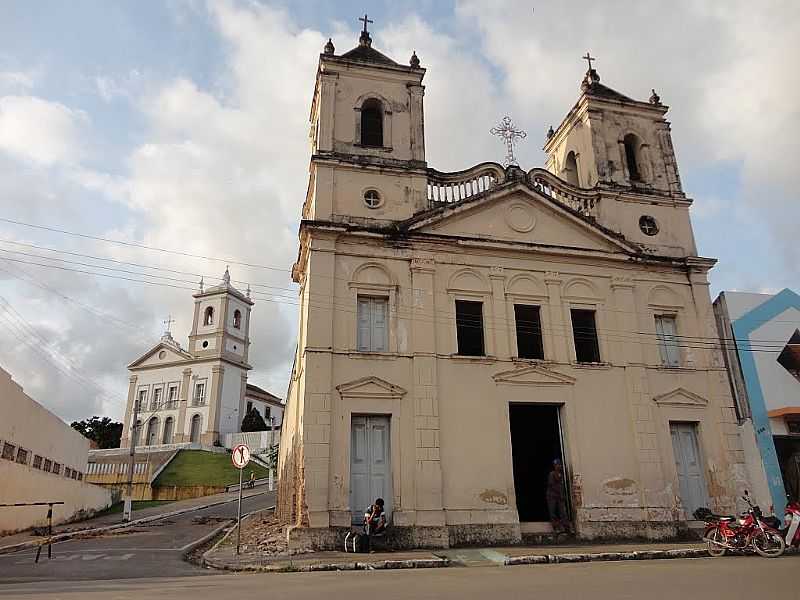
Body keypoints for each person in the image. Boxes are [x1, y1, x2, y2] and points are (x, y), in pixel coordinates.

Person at [546, 459, 571, 534]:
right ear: (554, 466)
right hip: (552, 496)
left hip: (559, 496)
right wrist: (560, 494)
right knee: (553, 512)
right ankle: (556, 528)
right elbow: (552, 485)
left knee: (563, 512)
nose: (558, 466)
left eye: (559, 465)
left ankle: (567, 528)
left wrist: (562, 495)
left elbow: (562, 486)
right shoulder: (552, 474)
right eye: (557, 465)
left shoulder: (561, 474)